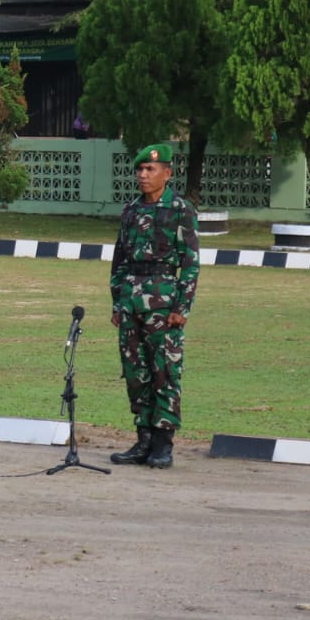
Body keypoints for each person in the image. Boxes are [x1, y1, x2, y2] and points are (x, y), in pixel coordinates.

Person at [108, 143, 200, 469]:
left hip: (164, 304)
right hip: (131, 301)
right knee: (136, 373)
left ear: (167, 173)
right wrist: (117, 302)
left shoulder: (180, 209)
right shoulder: (131, 210)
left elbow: (190, 263)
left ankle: (163, 444)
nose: (144, 175)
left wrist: (182, 307)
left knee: (164, 372)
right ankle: (143, 440)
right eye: (141, 169)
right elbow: (119, 260)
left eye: (151, 170)